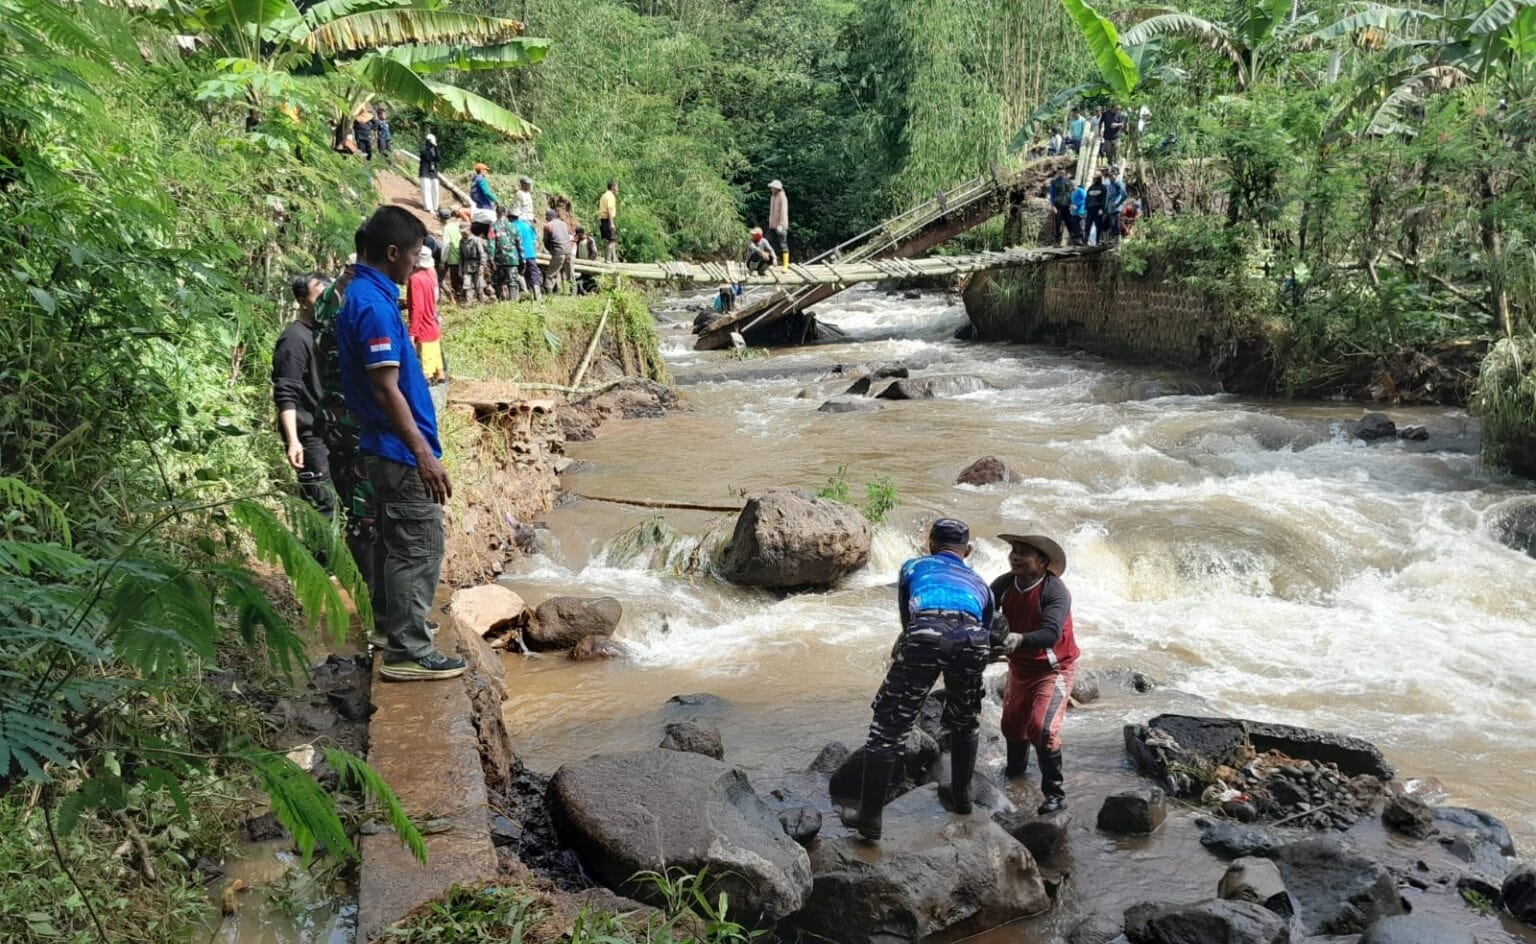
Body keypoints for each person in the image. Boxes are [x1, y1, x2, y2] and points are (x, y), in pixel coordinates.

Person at [335, 206, 465, 682]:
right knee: (418, 546)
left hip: (386, 448)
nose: (416, 264)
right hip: (397, 451)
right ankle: (409, 651)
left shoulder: (370, 294)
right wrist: (424, 455)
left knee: (396, 543)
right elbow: (386, 388)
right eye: (414, 255)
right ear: (392, 252)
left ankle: (395, 630)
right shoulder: (371, 305)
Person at [840, 519, 996, 841]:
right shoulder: (980, 582)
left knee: (889, 726)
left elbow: (906, 619)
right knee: (965, 720)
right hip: (972, 639)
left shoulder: (914, 566)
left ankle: (870, 816)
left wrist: (913, 648)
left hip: (926, 632)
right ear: (966, 551)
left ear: (930, 544)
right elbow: (988, 629)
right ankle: (963, 799)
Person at [990, 534, 1078, 814]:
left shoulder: (1055, 591)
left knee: (1042, 728)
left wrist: (1016, 640)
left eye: (1023, 553)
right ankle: (1015, 775)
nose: (1015, 556)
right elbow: (984, 613)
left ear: (1041, 562)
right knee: (1013, 726)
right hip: (1019, 668)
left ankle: (1055, 794)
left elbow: (1051, 633)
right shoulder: (1004, 585)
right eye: (1014, 551)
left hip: (1053, 670)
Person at [273, 274, 335, 518]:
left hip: (330, 431)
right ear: (302, 302)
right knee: (322, 505)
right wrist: (293, 440)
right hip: (308, 435)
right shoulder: (294, 338)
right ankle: (318, 556)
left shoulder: (325, 334)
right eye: (320, 295)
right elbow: (286, 391)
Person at [407, 247, 444, 384]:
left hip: (423, 330)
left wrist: (412, 332)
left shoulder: (415, 279)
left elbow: (418, 308)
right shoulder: (429, 277)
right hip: (432, 328)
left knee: (425, 375)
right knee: (437, 372)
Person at [490, 208, 520, 300]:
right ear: (505, 214)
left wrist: (491, 258)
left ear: (496, 213)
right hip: (513, 258)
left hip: (499, 259)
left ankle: (500, 301)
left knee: (498, 282)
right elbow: (519, 243)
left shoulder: (493, 227)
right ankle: (513, 301)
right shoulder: (513, 226)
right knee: (512, 281)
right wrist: (522, 259)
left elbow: (491, 244)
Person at [542, 209, 573, 294]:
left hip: (558, 252)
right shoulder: (564, 224)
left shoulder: (548, 226)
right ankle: (573, 292)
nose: (545, 218)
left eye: (546, 216)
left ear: (549, 216)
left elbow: (546, 241)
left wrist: (551, 251)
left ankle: (549, 294)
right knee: (570, 274)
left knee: (550, 274)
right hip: (569, 251)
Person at [514, 209, 542, 302]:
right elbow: (534, 240)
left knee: (519, 273)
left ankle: (524, 293)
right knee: (533, 273)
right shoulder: (528, 226)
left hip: (518, 255)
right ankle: (537, 295)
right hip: (530, 254)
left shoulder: (512, 226)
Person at [461, 220, 488, 304]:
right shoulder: (461, 242)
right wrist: (460, 268)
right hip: (467, 265)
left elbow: (482, 254)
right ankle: (468, 302)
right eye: (462, 232)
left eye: (464, 232)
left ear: (469, 230)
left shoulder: (476, 240)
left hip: (477, 264)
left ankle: (481, 302)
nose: (463, 234)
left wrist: (482, 266)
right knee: (467, 284)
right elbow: (461, 256)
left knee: (479, 284)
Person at [440, 208, 463, 302]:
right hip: (461, 255)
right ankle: (462, 296)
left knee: (454, 278)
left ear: (440, 219)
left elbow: (446, 245)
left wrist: (443, 260)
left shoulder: (446, 228)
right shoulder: (456, 225)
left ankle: (458, 298)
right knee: (460, 277)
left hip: (453, 256)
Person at [767, 179, 789, 269]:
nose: (771, 189)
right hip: (773, 225)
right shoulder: (773, 197)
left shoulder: (782, 197)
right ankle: (773, 262)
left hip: (781, 225)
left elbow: (783, 212)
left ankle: (785, 265)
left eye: (773, 188)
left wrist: (781, 224)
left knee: (782, 244)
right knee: (771, 244)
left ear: (777, 188)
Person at [1047, 171, 1074, 245]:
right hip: (1058, 205)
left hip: (1066, 205)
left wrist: (1071, 203)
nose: (1061, 173)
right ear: (1058, 173)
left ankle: (1074, 240)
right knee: (1057, 223)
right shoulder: (1054, 182)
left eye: (1062, 172)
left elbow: (1070, 193)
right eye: (1060, 172)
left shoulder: (1068, 182)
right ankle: (1056, 241)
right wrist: (1053, 206)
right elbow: (1052, 195)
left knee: (1069, 222)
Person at [418, 133, 441, 213]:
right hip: (425, 171)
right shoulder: (423, 148)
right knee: (426, 189)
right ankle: (428, 207)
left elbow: (438, 158)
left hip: (433, 171)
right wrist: (429, 147)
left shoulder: (434, 149)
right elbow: (426, 156)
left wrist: (435, 147)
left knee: (435, 189)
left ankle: (435, 207)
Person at [1084, 170, 1108, 245]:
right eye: (1094, 178)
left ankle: (1097, 242)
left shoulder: (1103, 188)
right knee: (1088, 225)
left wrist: (1102, 209)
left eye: (1096, 178)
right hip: (1090, 209)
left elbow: (1104, 199)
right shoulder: (1090, 188)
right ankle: (1085, 241)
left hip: (1098, 209)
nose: (1094, 179)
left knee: (1098, 226)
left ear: (1099, 178)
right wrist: (1085, 209)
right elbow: (1087, 199)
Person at [573, 226, 599, 295]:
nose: (578, 237)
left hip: (589, 264)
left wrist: (588, 262)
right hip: (582, 264)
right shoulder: (578, 242)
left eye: (578, 235)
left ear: (582, 234)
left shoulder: (590, 240)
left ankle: (592, 291)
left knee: (590, 278)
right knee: (583, 278)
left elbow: (594, 253)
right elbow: (577, 252)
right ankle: (583, 291)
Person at [1105, 166, 1128, 244]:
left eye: (1111, 175)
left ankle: (1117, 241)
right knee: (1111, 224)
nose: (1110, 177)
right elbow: (1108, 197)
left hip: (1116, 208)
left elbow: (1124, 194)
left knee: (1116, 224)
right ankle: (1112, 239)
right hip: (1110, 208)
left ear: (1115, 175)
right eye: (1109, 176)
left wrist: (1118, 203)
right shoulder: (1110, 185)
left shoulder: (1118, 183)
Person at [598, 179, 619, 262]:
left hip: (602, 219)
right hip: (607, 219)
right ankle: (608, 259)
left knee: (607, 240)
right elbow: (609, 209)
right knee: (612, 240)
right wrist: (612, 223)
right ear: (613, 187)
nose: (618, 189)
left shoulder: (604, 195)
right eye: (617, 187)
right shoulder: (610, 196)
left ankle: (610, 259)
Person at [1069, 180, 1088, 245]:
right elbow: (1072, 202)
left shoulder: (1080, 190)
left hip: (1081, 210)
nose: (1072, 187)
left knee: (1082, 225)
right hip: (1074, 212)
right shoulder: (1072, 193)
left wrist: (1077, 205)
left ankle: (1083, 240)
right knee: (1074, 224)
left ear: (1075, 185)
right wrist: (1071, 206)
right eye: (1071, 186)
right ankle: (1078, 239)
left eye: (1073, 186)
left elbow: (1085, 199)